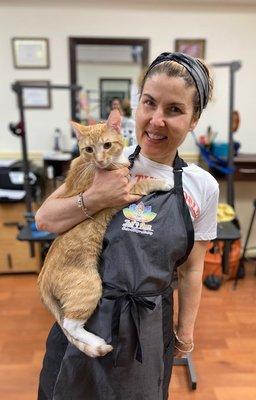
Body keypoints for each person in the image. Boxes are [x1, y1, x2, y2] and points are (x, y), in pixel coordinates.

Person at [36, 52, 219, 400]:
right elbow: (45, 219)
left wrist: (186, 331)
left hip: (147, 327)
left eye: (174, 109)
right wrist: (95, 198)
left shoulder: (202, 186)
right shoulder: (105, 160)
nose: (156, 120)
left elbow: (193, 270)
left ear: (194, 119)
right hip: (88, 313)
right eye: (149, 103)